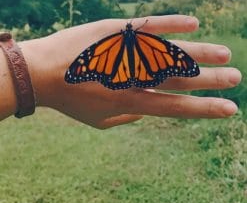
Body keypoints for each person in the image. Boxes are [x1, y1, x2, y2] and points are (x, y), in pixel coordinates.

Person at [0, 15, 241, 129]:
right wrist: (40, 70)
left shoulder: (111, 45)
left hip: (121, 69)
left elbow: (93, 61)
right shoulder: (146, 42)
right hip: (140, 66)